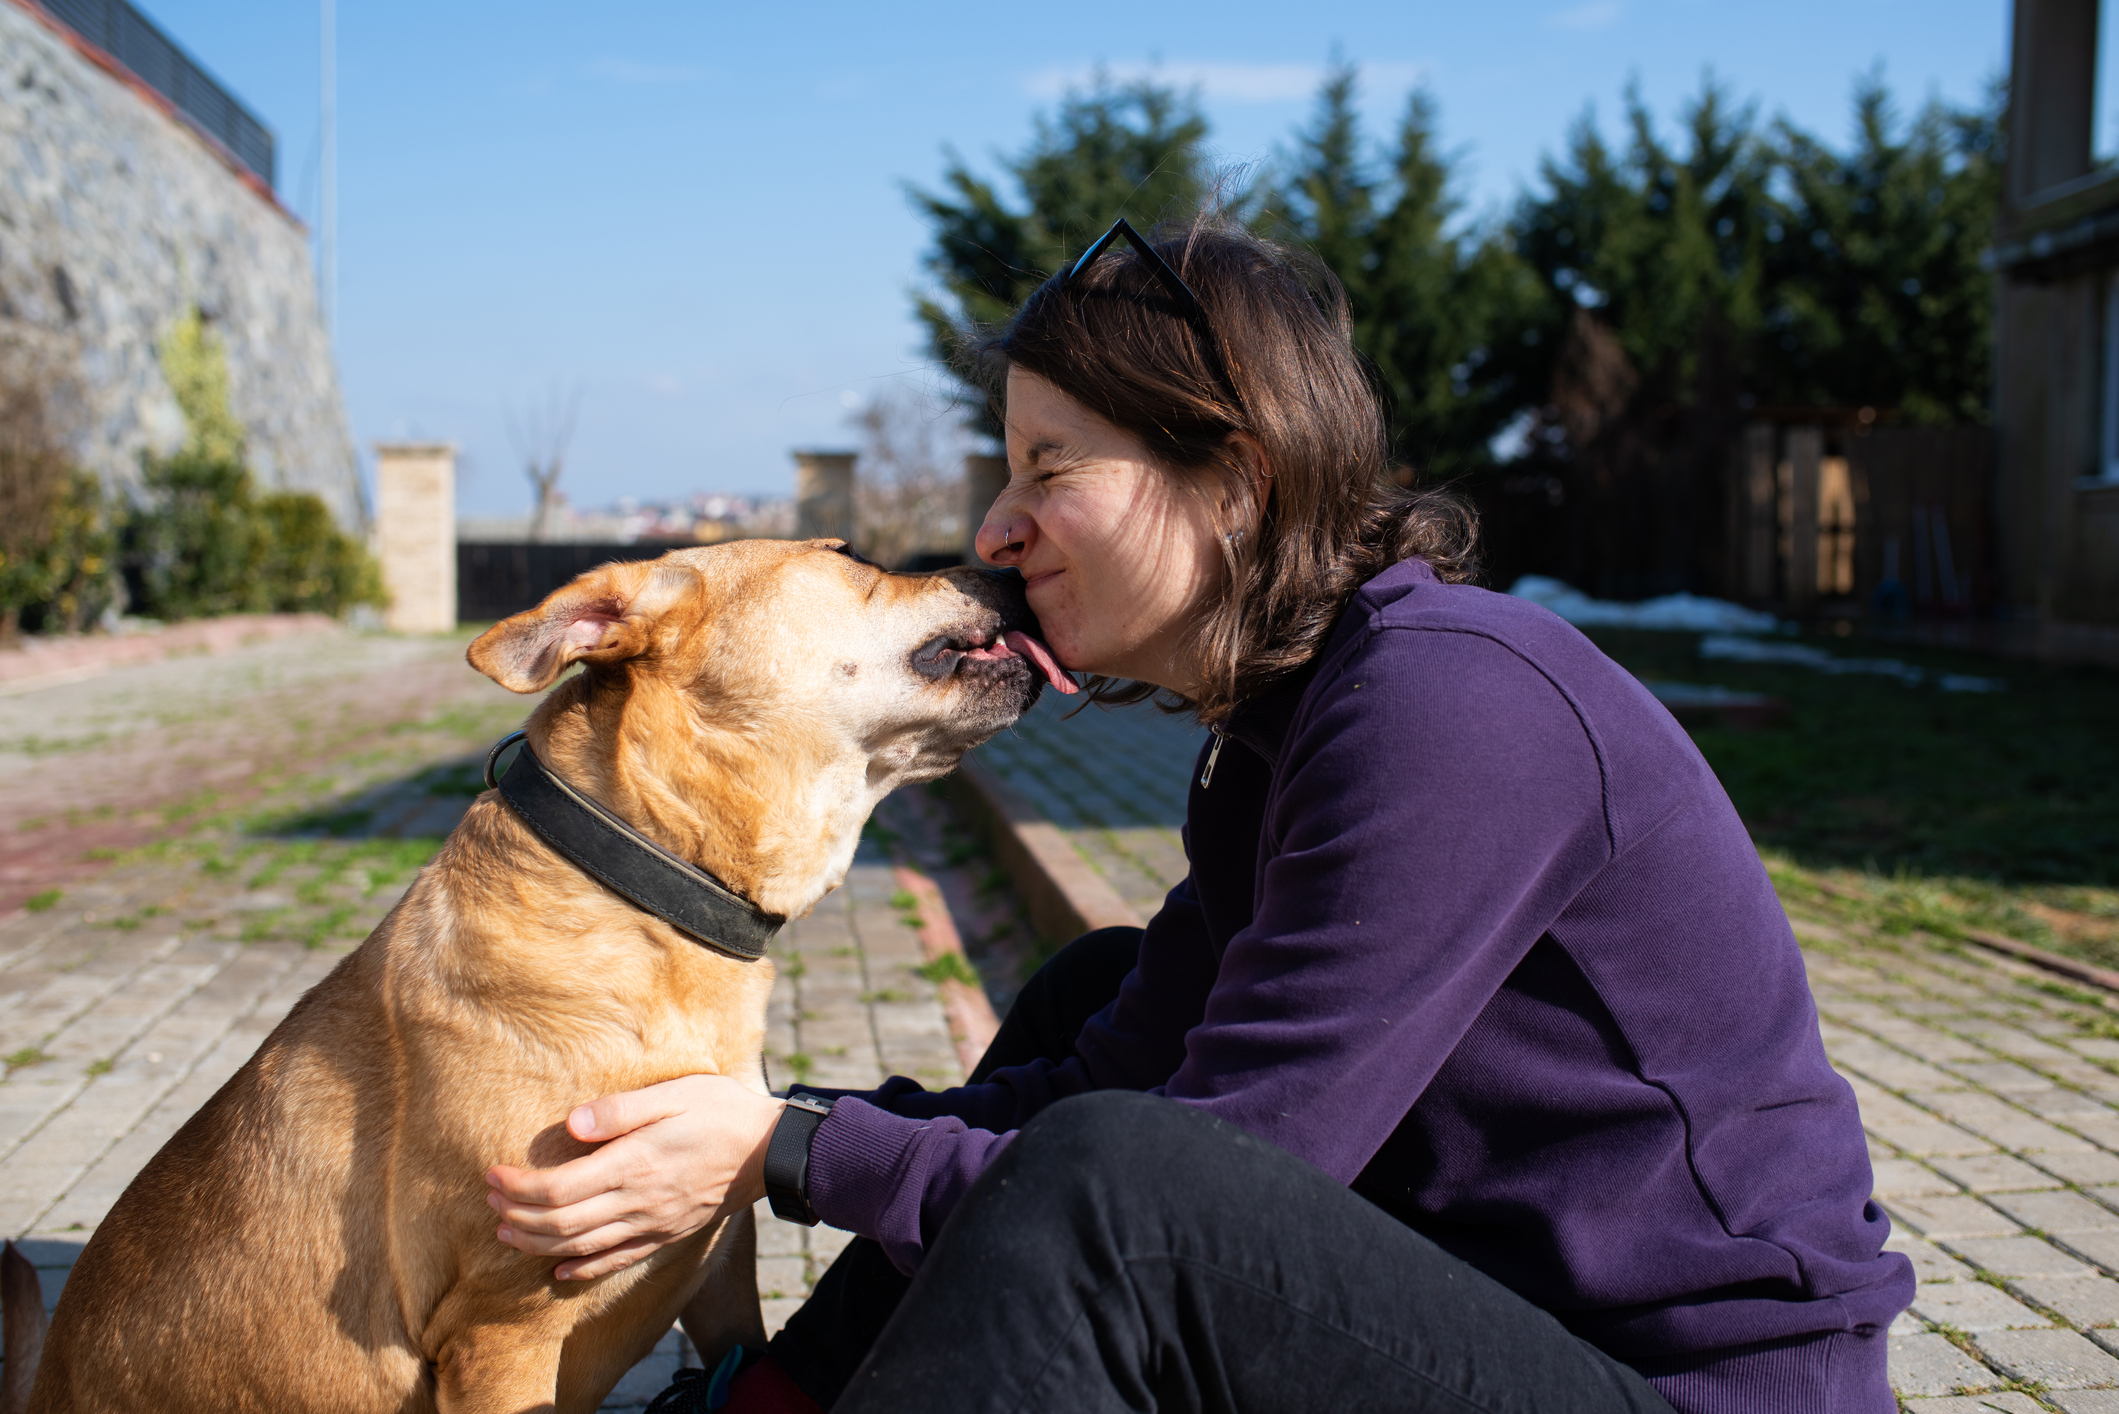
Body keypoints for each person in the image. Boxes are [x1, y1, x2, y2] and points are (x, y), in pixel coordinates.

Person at [485, 216, 1913, 1413]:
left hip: (1688, 1390)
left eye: (1053, 466)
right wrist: (768, 1125)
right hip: (1506, 1329)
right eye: (1008, 467)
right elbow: (1111, 1088)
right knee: (1091, 1006)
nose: (995, 525)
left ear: (1236, 477)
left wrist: (783, 1152)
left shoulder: (1447, 709)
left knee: (1114, 1178)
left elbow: (1215, 1172)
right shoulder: (1287, 728)